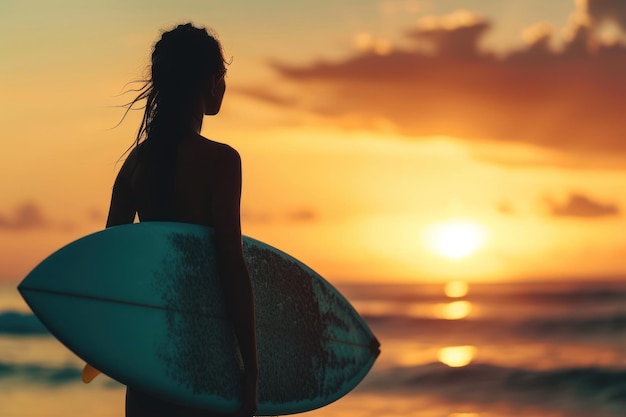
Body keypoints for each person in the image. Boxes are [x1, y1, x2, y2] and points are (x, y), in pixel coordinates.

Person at [105, 23, 258, 417]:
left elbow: (112, 263)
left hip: (148, 367)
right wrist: (253, 370)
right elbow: (230, 262)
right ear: (211, 81)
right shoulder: (222, 161)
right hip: (205, 363)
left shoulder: (134, 165)